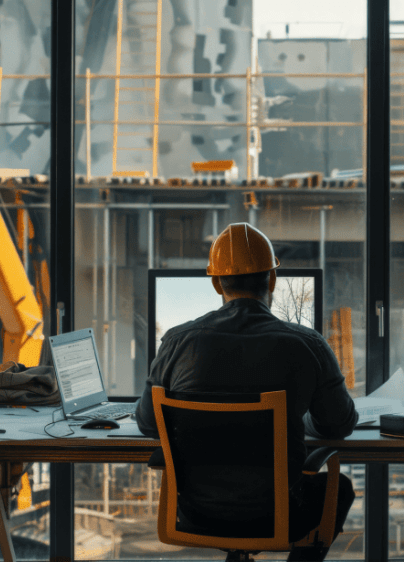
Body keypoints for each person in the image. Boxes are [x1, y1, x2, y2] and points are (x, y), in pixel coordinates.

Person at [136, 222, 357, 562]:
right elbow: (338, 425)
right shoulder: (307, 344)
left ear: (215, 283)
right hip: (281, 512)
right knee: (338, 486)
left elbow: (150, 425)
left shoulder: (178, 342)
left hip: (198, 513)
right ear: (272, 280)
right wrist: (296, 418)